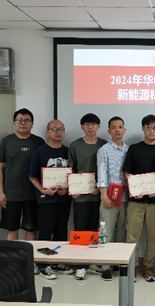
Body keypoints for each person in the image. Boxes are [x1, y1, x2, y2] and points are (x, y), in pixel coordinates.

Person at [123, 114, 155, 282]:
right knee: (132, 236)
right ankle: (132, 267)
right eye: (148, 127)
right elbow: (127, 171)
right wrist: (135, 188)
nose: (151, 131)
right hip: (136, 200)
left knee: (153, 237)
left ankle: (149, 267)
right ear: (143, 129)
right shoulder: (134, 149)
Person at [28, 119, 73, 280]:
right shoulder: (40, 152)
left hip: (64, 200)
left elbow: (73, 175)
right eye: (54, 129)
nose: (58, 132)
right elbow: (32, 176)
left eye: (61, 129)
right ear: (47, 131)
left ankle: (56, 262)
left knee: (61, 232)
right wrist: (42, 190)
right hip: (45, 200)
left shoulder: (68, 151)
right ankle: (43, 264)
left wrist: (67, 189)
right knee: (46, 233)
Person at [0, 108, 44, 242]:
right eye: (20, 120)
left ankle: (30, 255)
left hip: (33, 194)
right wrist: (0, 192)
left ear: (32, 123)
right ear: (14, 123)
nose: (23, 123)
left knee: (31, 229)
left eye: (27, 120)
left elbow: (44, 169)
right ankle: (13, 255)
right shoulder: (6, 141)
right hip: (11, 194)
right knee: (12, 228)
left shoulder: (39, 142)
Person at [69, 113, 107, 280]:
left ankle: (90, 262)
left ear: (99, 126)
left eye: (93, 124)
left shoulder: (104, 145)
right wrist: (73, 188)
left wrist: (101, 188)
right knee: (80, 230)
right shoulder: (75, 145)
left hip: (99, 196)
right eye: (87, 124)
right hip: (81, 197)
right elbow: (71, 169)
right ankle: (80, 265)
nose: (90, 127)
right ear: (82, 127)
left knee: (94, 230)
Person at [96, 116, 129, 281]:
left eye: (120, 127)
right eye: (114, 127)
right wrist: (104, 195)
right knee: (106, 232)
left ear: (124, 130)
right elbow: (101, 173)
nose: (117, 130)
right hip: (109, 198)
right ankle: (105, 267)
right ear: (109, 131)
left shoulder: (129, 150)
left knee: (122, 232)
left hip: (125, 198)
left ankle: (117, 262)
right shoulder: (104, 150)